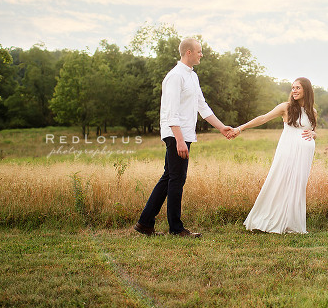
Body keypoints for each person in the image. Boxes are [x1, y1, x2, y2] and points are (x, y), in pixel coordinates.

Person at [133, 38, 232, 238]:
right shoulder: (175, 76)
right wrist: (178, 139)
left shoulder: (192, 77)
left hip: (184, 134)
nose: (201, 54)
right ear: (188, 52)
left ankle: (145, 223)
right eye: (199, 51)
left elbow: (202, 106)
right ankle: (176, 229)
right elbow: (171, 112)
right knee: (177, 179)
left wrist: (222, 128)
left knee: (169, 177)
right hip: (175, 134)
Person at [229, 77, 317, 234]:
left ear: (306, 90)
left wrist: (313, 133)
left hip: (304, 156)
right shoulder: (286, 107)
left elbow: (313, 131)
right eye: (293, 88)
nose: (294, 91)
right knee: (281, 181)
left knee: (297, 185)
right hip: (288, 150)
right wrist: (240, 128)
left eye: (298, 88)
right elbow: (263, 118)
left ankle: (291, 222)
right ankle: (271, 219)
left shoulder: (312, 112)